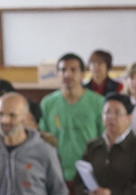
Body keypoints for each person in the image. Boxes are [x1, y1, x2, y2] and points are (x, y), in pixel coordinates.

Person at [42, 53, 106, 183]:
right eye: (63, 70)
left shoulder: (98, 102)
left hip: (90, 172)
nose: (67, 74)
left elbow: (104, 138)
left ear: (83, 74)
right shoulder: (47, 103)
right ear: (57, 74)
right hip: (56, 173)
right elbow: (43, 138)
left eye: (73, 70)